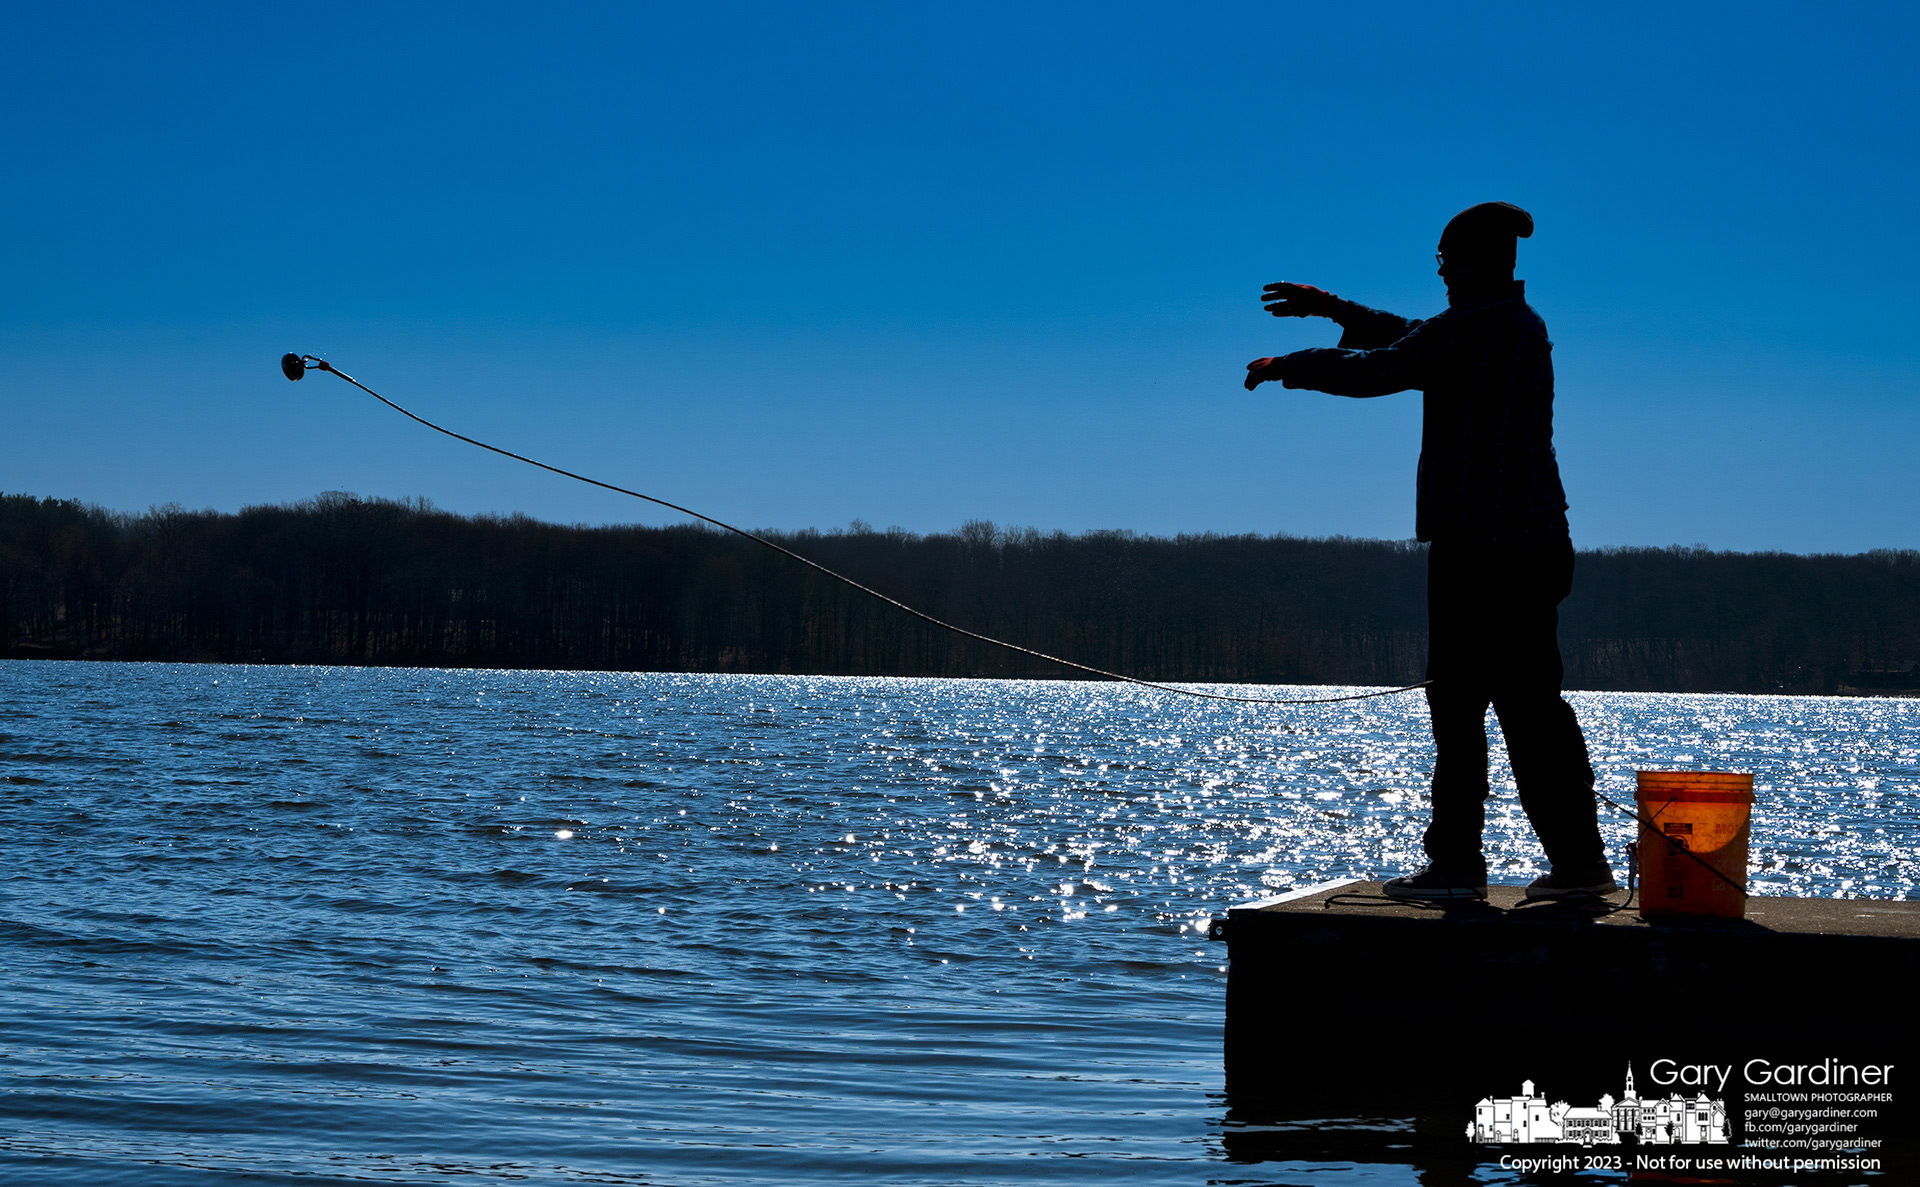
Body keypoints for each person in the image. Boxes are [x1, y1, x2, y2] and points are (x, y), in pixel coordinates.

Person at [1242, 201, 1614, 902]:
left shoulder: (1476, 327)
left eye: (1447, 260)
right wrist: (1332, 308)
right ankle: (1578, 865)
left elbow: (1382, 367)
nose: (1441, 272)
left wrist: (1288, 364)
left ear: (1479, 262)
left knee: (1463, 708)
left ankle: (1457, 869)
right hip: (1533, 548)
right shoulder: (1513, 324)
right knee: (1530, 710)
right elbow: (1414, 337)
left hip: (1483, 554)